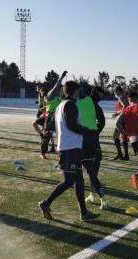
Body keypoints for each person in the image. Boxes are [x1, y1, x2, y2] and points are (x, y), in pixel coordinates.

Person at [38, 80, 100, 222]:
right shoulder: (70, 105)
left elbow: (53, 124)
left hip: (70, 147)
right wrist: (87, 131)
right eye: (78, 91)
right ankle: (45, 204)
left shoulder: (60, 105)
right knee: (68, 181)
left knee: (78, 180)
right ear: (75, 91)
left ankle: (84, 213)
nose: (80, 93)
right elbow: (72, 125)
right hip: (69, 148)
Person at [77, 87, 108, 209]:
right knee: (92, 171)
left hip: (82, 140)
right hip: (92, 139)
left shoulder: (79, 101)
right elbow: (102, 122)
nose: (100, 98)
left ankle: (98, 197)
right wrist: (95, 132)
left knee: (88, 172)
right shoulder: (95, 105)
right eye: (100, 95)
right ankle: (96, 196)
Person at [39, 72, 67, 159]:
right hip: (50, 117)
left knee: (61, 135)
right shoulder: (51, 94)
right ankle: (43, 153)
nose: (61, 91)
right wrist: (62, 77)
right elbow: (56, 85)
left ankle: (61, 153)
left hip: (59, 116)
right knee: (47, 135)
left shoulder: (59, 95)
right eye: (60, 89)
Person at [111, 86, 130, 160]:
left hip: (123, 119)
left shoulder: (121, 97)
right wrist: (118, 113)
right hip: (124, 118)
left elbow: (126, 106)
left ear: (118, 91)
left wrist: (117, 114)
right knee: (117, 136)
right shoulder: (124, 96)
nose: (114, 93)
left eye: (115, 92)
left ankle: (123, 154)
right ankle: (123, 154)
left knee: (121, 136)